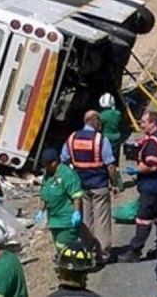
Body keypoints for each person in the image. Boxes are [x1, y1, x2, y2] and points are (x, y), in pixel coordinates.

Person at [60, 110, 118, 261]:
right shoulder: (100, 140)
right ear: (95, 121)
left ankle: (88, 250)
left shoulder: (72, 138)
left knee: (86, 220)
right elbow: (110, 166)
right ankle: (103, 253)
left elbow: (64, 160)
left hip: (81, 186)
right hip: (99, 185)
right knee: (102, 220)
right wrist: (114, 183)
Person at [118, 112, 157, 263]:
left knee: (144, 219)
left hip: (151, 186)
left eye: (143, 122)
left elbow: (151, 165)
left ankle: (135, 250)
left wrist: (136, 170)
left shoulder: (154, 142)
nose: (141, 125)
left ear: (153, 123)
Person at [37, 148, 84, 250]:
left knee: (64, 244)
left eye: (46, 164)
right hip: (54, 219)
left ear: (54, 162)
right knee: (58, 244)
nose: (45, 167)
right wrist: (41, 211)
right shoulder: (47, 176)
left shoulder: (66, 174)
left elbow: (76, 195)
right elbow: (44, 195)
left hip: (66, 218)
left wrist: (77, 213)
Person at [98, 93, 123, 160]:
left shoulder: (102, 115)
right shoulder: (118, 113)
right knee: (114, 155)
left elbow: (99, 127)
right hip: (116, 137)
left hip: (105, 137)